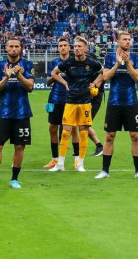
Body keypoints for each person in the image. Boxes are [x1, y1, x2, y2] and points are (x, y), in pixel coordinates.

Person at [0, 38, 34, 189]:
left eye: (17, 46)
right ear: (6, 48)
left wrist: (19, 76)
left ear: (21, 49)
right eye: (11, 46)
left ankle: (14, 179)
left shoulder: (27, 65)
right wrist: (7, 77)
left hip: (22, 114)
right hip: (3, 113)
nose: (14, 49)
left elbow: (30, 86)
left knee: (19, 147)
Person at [95, 31, 138, 179]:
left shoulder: (135, 58)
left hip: (131, 102)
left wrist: (128, 63)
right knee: (109, 136)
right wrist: (118, 63)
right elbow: (105, 77)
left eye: (129, 39)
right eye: (124, 39)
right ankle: (105, 171)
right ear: (118, 41)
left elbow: (137, 78)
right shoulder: (110, 57)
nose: (128, 42)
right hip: (114, 102)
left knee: (135, 136)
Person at [49, 36, 103, 172]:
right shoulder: (68, 63)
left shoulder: (92, 62)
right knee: (66, 132)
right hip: (70, 101)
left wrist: (95, 83)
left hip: (85, 102)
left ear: (85, 48)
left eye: (79, 46)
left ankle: (80, 164)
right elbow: (54, 73)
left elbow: (104, 72)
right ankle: (60, 164)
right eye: (75, 46)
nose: (77, 49)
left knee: (83, 132)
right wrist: (64, 83)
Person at [43, 38, 81, 168]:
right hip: (55, 99)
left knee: (73, 129)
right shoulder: (54, 62)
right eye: (60, 46)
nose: (63, 47)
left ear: (69, 48)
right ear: (58, 48)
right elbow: (48, 81)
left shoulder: (74, 62)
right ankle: (55, 159)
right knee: (52, 128)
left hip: (71, 99)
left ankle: (77, 160)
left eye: (65, 45)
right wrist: (53, 77)